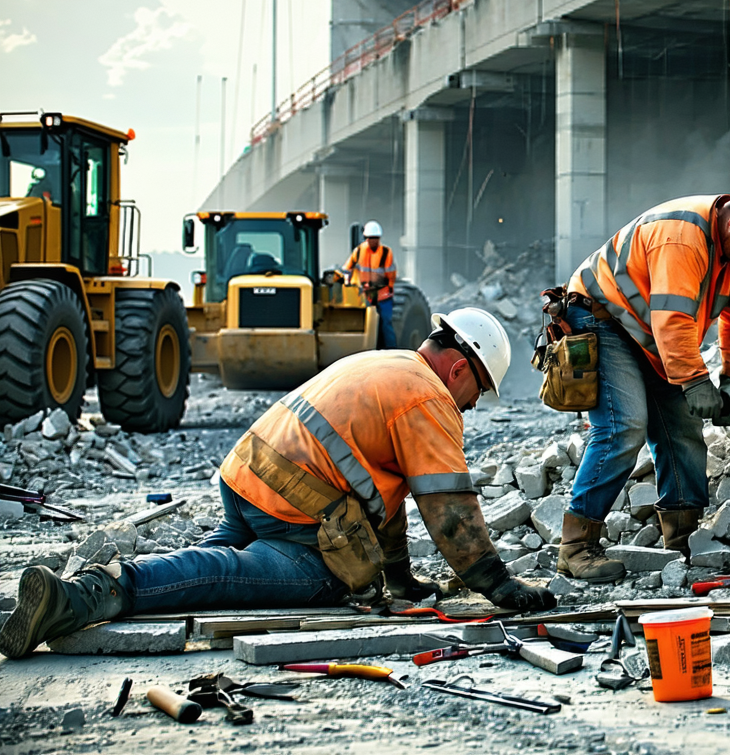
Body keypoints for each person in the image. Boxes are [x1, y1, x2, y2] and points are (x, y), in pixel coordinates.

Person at [0, 308, 556, 660]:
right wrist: (502, 589)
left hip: (248, 476)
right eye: (478, 391)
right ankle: (80, 597)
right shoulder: (430, 398)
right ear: (461, 370)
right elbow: (450, 512)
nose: (472, 405)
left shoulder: (391, 365)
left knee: (212, 560)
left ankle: (99, 586)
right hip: (291, 508)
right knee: (266, 577)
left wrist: (401, 581)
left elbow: (384, 502)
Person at [556, 181, 730, 582]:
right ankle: (576, 546)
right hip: (601, 317)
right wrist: (696, 383)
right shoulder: (683, 238)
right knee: (625, 426)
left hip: (648, 330)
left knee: (683, 426)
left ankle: (683, 539)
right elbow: (672, 319)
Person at [340, 220, 398, 349]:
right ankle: (368, 350)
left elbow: (391, 274)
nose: (374, 241)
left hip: (383, 295)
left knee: (386, 323)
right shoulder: (359, 251)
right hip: (367, 295)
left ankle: (391, 351)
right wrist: (347, 280)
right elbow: (347, 268)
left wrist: (389, 288)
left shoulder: (386, 253)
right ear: (366, 238)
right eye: (371, 238)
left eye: (376, 238)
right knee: (367, 324)